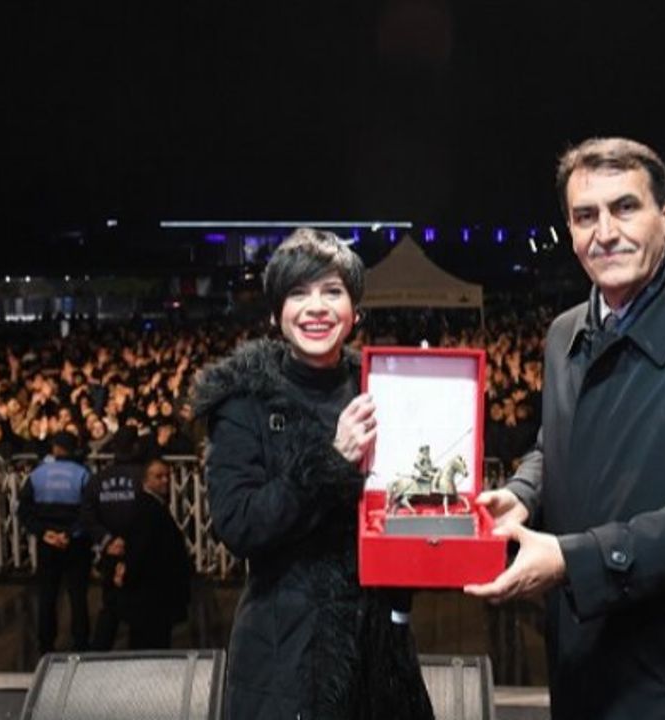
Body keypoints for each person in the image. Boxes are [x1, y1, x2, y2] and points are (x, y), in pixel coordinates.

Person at [464, 137, 665, 719]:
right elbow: (555, 443)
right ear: (570, 231)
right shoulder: (564, 333)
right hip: (585, 663)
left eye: (625, 208)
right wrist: (525, 493)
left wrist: (575, 560)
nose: (606, 232)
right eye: (585, 216)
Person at [192, 228, 433, 719]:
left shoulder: (382, 388)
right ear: (277, 312)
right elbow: (239, 524)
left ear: (355, 310)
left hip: (378, 647)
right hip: (286, 654)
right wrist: (332, 461)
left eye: (332, 291)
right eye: (298, 293)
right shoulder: (244, 401)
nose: (316, 307)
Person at [17, 430, 92, 654]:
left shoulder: (38, 474)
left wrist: (43, 533)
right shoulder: (83, 474)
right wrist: (70, 533)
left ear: (55, 448)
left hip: (47, 542)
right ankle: (81, 642)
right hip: (75, 543)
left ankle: (46, 643)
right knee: (77, 595)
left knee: (48, 595)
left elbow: (24, 510)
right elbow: (89, 511)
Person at [117, 458, 192, 649]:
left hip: (155, 596)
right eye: (158, 476)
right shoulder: (147, 509)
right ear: (145, 480)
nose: (165, 480)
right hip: (150, 597)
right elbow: (140, 550)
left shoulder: (154, 506)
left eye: (167, 476)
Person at [79, 441, 145, 650]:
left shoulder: (99, 478)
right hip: (136, 549)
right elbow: (150, 513)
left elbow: (87, 513)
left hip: (110, 549)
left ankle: (100, 651)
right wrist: (130, 542)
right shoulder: (142, 477)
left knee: (110, 603)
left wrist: (106, 539)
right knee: (139, 603)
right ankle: (139, 651)